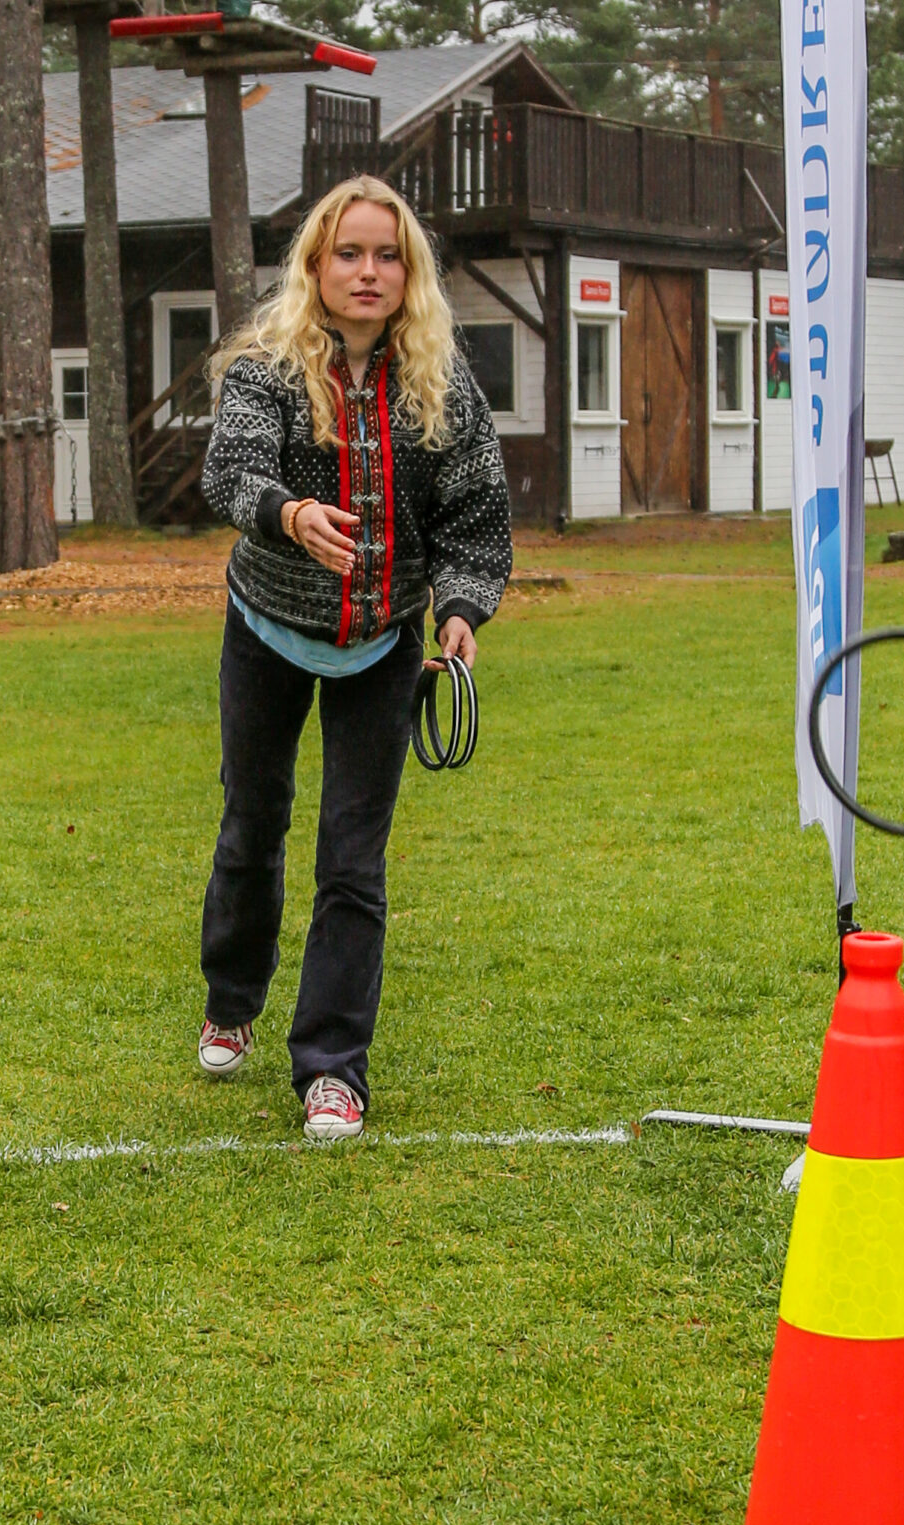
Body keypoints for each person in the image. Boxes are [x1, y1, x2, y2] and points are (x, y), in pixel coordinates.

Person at [195, 175, 513, 1141]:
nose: (367, 272)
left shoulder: (440, 380)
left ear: (409, 273)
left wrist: (461, 607)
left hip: (385, 643)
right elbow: (230, 471)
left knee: (353, 859)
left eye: (386, 255)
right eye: (348, 254)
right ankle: (232, 998)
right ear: (316, 266)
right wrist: (288, 512)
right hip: (267, 627)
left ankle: (332, 1070)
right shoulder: (266, 367)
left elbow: (475, 514)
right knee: (253, 824)